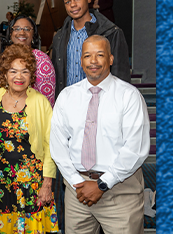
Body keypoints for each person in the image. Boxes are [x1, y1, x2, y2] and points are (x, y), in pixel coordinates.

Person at [50, 35, 149, 234]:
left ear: (110, 59)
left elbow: (135, 149)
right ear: (81, 61)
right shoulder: (67, 96)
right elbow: (58, 145)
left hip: (120, 190)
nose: (93, 61)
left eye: (100, 55)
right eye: (87, 56)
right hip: (77, 190)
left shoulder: (129, 96)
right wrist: (77, 182)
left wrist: (102, 184)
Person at [0, 44, 59, 234]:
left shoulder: (40, 102)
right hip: (0, 181)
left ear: (32, 75)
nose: (18, 77)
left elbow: (50, 145)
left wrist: (47, 183)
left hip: (32, 183)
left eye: (24, 71)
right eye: (13, 71)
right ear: (5, 73)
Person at [51, 0, 129, 98]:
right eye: (68, 2)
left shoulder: (111, 33)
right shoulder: (59, 37)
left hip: (101, 101)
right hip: (69, 102)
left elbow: (121, 75)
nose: (73, 4)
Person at [7, 15, 57, 106]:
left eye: (27, 29)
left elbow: (47, 101)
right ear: (11, 33)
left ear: (33, 34)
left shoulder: (41, 60)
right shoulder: (5, 56)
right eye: (17, 28)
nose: (22, 32)